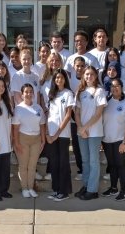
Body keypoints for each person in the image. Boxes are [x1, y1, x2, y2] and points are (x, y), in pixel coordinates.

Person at [74, 66, 107, 200]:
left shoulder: (99, 91)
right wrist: (80, 128)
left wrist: (85, 127)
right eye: (86, 74)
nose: (89, 77)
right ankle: (86, 185)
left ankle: (92, 190)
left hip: (94, 132)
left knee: (94, 161)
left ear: (95, 76)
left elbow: (98, 113)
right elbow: (76, 112)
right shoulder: (80, 92)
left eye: (91, 74)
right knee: (85, 161)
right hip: (82, 132)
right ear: (83, 76)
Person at [101, 78, 125, 201]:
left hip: (121, 140)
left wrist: (124, 143)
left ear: (122, 88)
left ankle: (124, 191)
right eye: (112, 86)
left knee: (121, 165)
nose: (114, 88)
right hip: (107, 140)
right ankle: (113, 188)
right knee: (112, 165)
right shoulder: (107, 102)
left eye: (117, 86)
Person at [46, 69, 75, 201]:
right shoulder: (52, 94)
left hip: (62, 135)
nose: (59, 80)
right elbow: (49, 115)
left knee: (63, 164)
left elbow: (68, 115)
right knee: (54, 163)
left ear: (65, 79)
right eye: (57, 78)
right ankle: (56, 189)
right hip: (51, 134)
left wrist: (57, 133)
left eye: (61, 77)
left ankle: (64, 191)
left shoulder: (68, 94)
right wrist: (48, 133)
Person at [12, 84, 45, 198]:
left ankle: (30, 187)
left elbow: (42, 125)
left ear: (34, 94)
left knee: (32, 165)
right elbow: (15, 128)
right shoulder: (18, 108)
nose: (28, 94)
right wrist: (16, 143)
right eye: (26, 92)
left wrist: (43, 140)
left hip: (36, 139)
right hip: (22, 139)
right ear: (22, 94)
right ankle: (24, 188)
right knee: (23, 165)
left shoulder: (38, 108)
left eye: (31, 91)